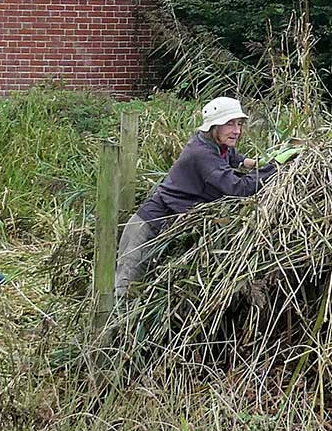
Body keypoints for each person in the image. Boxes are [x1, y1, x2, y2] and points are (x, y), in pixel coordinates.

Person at [112, 95, 272, 302]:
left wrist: (259, 162)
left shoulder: (216, 145)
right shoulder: (201, 153)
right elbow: (238, 188)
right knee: (126, 288)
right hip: (147, 227)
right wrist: (272, 169)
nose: (237, 130)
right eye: (229, 124)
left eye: (239, 124)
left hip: (167, 226)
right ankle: (110, 332)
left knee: (144, 291)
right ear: (214, 126)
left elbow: (236, 159)